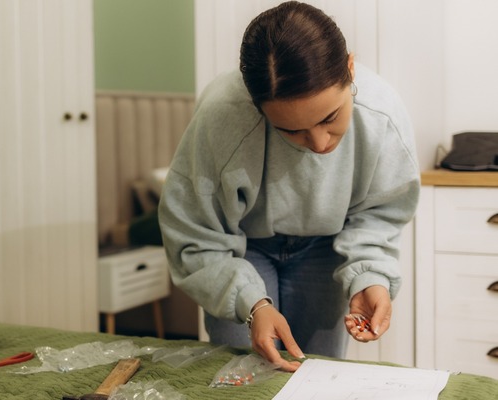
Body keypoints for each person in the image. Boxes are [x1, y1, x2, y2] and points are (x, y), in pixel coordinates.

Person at [158, 1, 420, 372]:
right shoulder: (222, 118)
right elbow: (194, 234)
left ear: (350, 67)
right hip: (241, 250)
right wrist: (253, 306)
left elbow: (379, 216)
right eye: (290, 131)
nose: (318, 144)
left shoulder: (383, 117)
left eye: (330, 117)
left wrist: (370, 276)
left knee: (316, 377)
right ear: (256, 107)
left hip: (326, 247)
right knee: (245, 383)